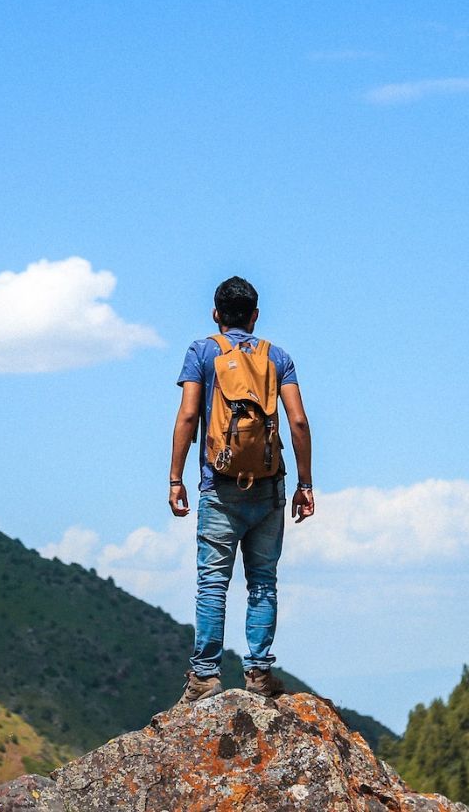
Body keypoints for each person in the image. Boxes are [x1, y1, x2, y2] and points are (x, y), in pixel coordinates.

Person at [169, 276, 314, 705]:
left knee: (212, 581)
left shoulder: (202, 351)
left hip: (220, 484)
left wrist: (176, 478)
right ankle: (259, 674)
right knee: (263, 582)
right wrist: (305, 484)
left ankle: (204, 678)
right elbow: (299, 422)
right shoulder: (277, 357)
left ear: (216, 314)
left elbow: (188, 415)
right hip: (269, 486)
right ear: (254, 316)